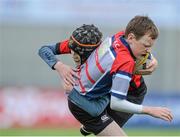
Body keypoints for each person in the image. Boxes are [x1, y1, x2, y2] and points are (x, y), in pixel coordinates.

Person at [38, 16, 173, 136]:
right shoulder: (123, 59)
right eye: (146, 46)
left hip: (96, 97)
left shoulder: (120, 36)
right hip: (87, 106)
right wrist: (150, 110)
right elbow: (117, 103)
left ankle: (89, 127)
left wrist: (151, 58)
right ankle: (91, 125)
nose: (73, 55)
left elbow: (139, 45)